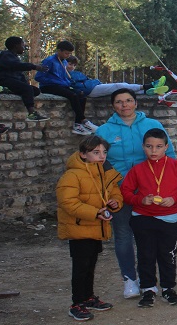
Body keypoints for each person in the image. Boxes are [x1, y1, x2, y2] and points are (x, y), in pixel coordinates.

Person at [96, 88, 177, 300]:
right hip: (119, 191)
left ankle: (148, 280)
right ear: (113, 106)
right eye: (119, 102)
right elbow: (97, 162)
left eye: (129, 101)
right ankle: (129, 279)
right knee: (123, 235)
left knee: (149, 237)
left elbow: (170, 156)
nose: (125, 105)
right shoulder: (104, 131)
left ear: (136, 103)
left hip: (151, 190)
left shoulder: (152, 125)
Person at [56, 135, 123, 321]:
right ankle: (76, 303)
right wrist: (95, 213)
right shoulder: (72, 175)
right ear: (83, 154)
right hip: (80, 229)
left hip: (96, 227)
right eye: (96, 152)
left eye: (104, 152)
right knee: (80, 267)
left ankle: (88, 297)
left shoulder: (104, 171)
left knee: (91, 264)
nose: (101, 156)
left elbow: (115, 192)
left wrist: (115, 203)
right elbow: (68, 202)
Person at [120, 128, 177, 307]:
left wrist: (174, 199)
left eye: (158, 146)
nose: (153, 151)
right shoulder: (137, 169)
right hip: (143, 217)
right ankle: (148, 289)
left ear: (166, 147)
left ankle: (168, 288)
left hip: (170, 218)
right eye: (149, 146)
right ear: (143, 147)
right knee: (146, 254)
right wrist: (140, 200)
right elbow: (125, 192)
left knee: (168, 255)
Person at [36, 40, 98, 135]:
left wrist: (68, 82)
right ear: (59, 51)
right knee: (72, 95)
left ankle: (77, 125)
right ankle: (84, 120)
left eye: (69, 53)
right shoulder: (49, 61)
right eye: (66, 53)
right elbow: (38, 77)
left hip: (62, 85)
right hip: (49, 86)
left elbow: (64, 77)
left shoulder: (64, 62)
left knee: (81, 95)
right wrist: (56, 81)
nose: (68, 55)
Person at [0, 36, 49, 121]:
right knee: (27, 88)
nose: (24, 48)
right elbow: (16, 66)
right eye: (23, 45)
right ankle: (32, 113)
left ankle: (6, 90)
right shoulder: (6, 55)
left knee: (35, 91)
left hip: (12, 81)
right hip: (2, 80)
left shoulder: (15, 57)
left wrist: (24, 84)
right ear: (16, 46)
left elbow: (19, 74)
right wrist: (34, 66)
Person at [65, 55, 167, 98]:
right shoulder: (63, 75)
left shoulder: (76, 73)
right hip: (88, 91)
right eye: (70, 64)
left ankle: (148, 91)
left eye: (74, 65)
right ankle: (148, 86)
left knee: (123, 88)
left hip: (93, 86)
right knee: (119, 86)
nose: (72, 67)